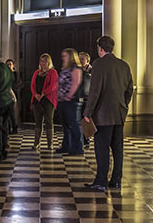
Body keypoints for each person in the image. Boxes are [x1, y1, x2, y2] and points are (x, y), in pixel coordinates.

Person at [83, 36, 133, 192]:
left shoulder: (98, 65)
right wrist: (123, 105)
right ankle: (116, 180)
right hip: (119, 114)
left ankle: (101, 181)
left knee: (102, 148)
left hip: (102, 115)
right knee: (118, 149)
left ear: (100, 48)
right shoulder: (124, 65)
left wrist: (88, 112)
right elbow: (129, 90)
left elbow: (95, 91)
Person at [56, 48, 84, 156]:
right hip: (62, 100)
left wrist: (69, 96)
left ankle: (78, 147)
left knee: (74, 124)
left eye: (65, 56)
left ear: (71, 57)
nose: (63, 58)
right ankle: (67, 146)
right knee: (66, 125)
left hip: (72, 101)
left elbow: (76, 83)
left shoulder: (75, 68)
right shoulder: (65, 69)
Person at [30, 53, 58, 150]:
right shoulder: (36, 72)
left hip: (48, 100)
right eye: (41, 61)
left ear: (48, 62)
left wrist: (43, 93)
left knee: (49, 121)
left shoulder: (53, 72)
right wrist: (36, 94)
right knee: (38, 122)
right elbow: (32, 85)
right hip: (37, 100)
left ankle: (50, 143)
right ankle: (36, 143)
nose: (42, 63)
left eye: (44, 61)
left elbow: (54, 85)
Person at [79, 51, 93, 147]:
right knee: (79, 119)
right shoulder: (77, 70)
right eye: (79, 59)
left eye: (82, 59)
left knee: (87, 120)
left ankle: (87, 139)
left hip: (89, 99)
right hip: (78, 98)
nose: (80, 61)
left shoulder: (93, 70)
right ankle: (80, 138)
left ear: (88, 60)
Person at [5, 59, 20, 135]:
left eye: (10, 64)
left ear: (13, 65)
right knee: (7, 112)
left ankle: (15, 127)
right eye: (7, 64)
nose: (9, 66)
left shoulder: (15, 74)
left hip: (13, 94)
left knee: (11, 112)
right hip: (6, 95)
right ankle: (9, 127)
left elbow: (16, 83)